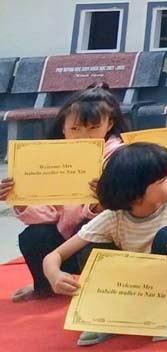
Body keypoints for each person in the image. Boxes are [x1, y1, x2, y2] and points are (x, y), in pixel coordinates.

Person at [44, 143, 167, 344]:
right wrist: (55, 275)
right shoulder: (114, 217)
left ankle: (162, 313)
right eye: (163, 179)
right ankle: (111, 316)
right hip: (129, 284)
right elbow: (54, 256)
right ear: (135, 191)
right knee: (90, 249)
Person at [3, 87, 128, 303]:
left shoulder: (122, 157)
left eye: (93, 128)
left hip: (109, 237)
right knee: (33, 236)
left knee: (90, 234)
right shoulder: (51, 159)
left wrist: (102, 202)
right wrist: (22, 200)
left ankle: (107, 291)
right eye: (75, 128)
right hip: (66, 237)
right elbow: (49, 215)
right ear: (63, 127)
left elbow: (133, 209)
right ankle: (45, 286)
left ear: (110, 124)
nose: (83, 136)